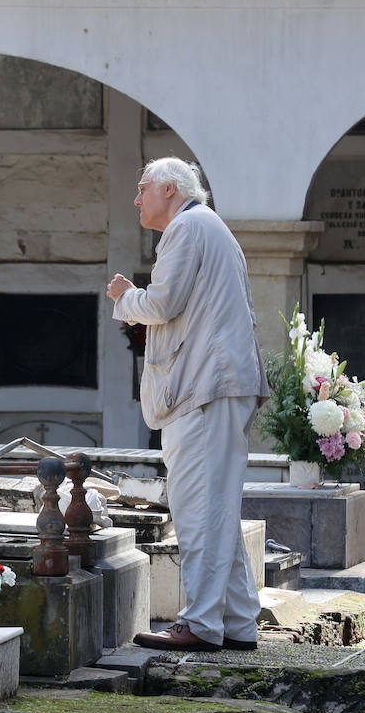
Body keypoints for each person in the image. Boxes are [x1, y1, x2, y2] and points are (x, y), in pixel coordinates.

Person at [105, 157, 269, 652]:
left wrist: (126, 297)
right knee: (215, 505)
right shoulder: (208, 227)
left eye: (142, 189)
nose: (137, 199)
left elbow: (162, 303)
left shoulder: (186, 228)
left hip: (203, 387)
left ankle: (199, 623)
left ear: (171, 189)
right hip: (214, 384)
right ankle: (238, 622)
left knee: (199, 509)